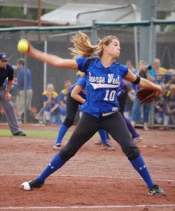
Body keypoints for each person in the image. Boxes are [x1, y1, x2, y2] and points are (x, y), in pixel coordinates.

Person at [20, 32, 165, 195]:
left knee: (130, 148)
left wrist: (155, 87)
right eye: (115, 44)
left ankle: (151, 185)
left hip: (112, 116)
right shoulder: (89, 64)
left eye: (119, 45)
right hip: (90, 116)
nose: (119, 48)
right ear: (105, 46)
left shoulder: (121, 70)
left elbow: (140, 81)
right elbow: (58, 62)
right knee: (68, 150)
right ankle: (40, 180)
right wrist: (33, 52)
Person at [72, 76, 142, 145]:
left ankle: (136, 136)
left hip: (120, 88)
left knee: (118, 114)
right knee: (104, 112)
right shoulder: (91, 72)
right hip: (112, 88)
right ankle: (105, 138)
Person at [53, 71, 113, 150]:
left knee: (98, 116)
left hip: (86, 97)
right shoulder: (86, 76)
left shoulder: (101, 81)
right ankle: (57, 143)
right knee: (69, 119)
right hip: (73, 95)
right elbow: (76, 90)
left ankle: (105, 143)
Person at [0, 52, 26, 136]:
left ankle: (16, 130)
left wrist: (7, 92)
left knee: (9, 105)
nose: (4, 62)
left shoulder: (9, 68)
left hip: (1, 88)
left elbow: (10, 81)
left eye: (5, 61)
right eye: (2, 61)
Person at [131, 60, 155, 131]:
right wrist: (139, 70)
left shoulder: (149, 70)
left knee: (147, 109)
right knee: (136, 108)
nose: (143, 66)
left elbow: (152, 80)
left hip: (148, 92)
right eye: (142, 65)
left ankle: (145, 125)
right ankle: (133, 124)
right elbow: (134, 79)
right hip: (139, 92)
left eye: (144, 65)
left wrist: (147, 72)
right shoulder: (137, 71)